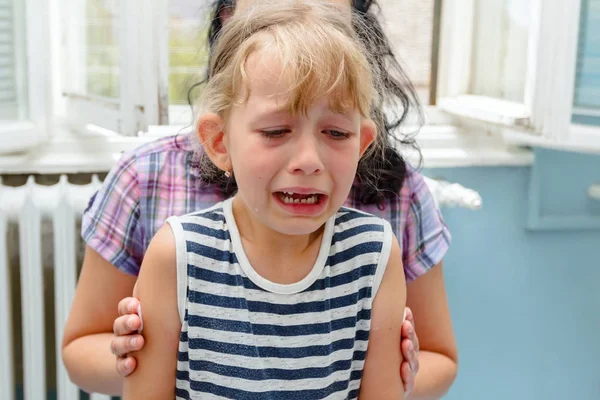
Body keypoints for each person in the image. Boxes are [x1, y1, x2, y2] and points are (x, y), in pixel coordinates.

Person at [62, 0, 457, 398]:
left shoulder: (375, 251)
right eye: (275, 131)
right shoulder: (173, 246)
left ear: (362, 144)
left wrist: (386, 368)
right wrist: (152, 356)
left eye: (336, 133)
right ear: (218, 142)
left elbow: (430, 363)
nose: (308, 161)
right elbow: (90, 356)